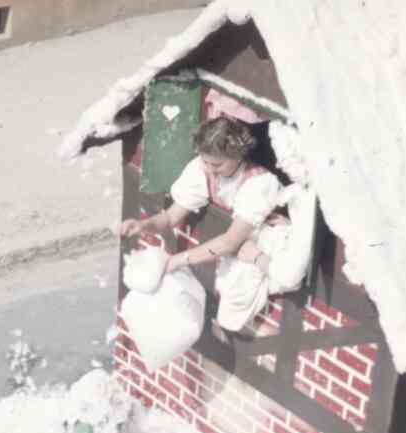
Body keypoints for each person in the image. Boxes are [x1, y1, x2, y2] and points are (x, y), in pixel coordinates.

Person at [120, 116, 300, 333]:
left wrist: (180, 259)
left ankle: (285, 347)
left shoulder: (260, 183)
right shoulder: (202, 170)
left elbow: (231, 241)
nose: (209, 170)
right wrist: (144, 225)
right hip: (240, 244)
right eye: (205, 162)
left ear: (239, 156)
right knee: (228, 306)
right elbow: (170, 217)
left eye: (217, 164)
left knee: (232, 315)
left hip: (270, 242)